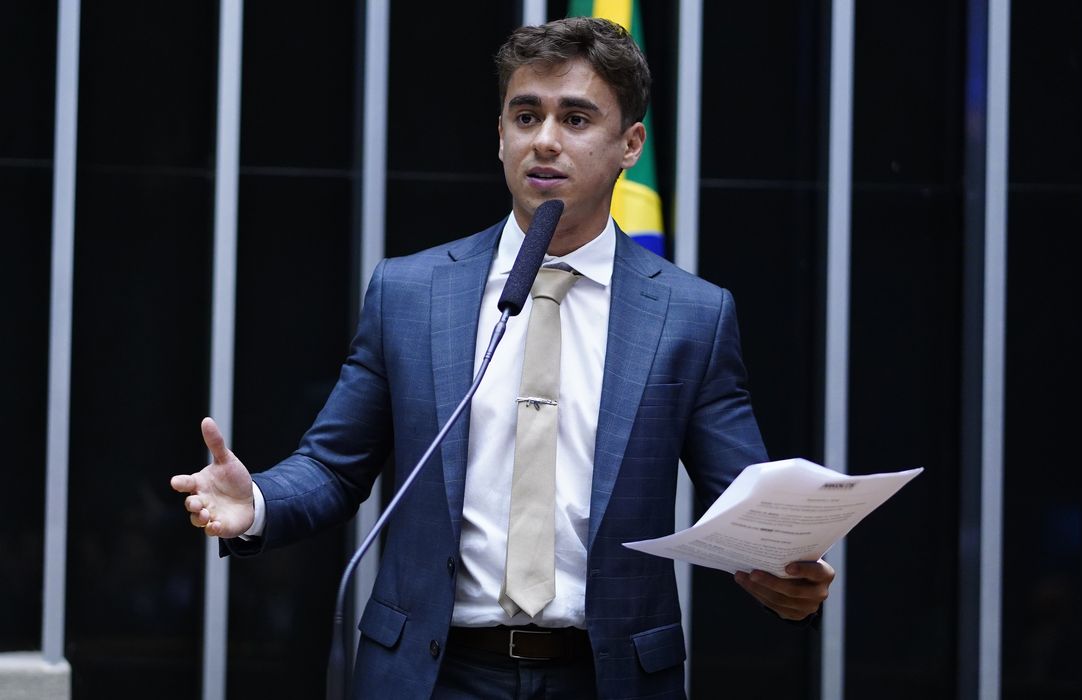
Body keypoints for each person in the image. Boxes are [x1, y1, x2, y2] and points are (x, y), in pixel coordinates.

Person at [171, 16, 834, 699]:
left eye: (576, 119)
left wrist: (788, 572)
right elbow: (334, 468)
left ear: (630, 143)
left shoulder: (692, 315)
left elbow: (745, 505)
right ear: (500, 135)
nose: (545, 140)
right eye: (526, 115)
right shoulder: (411, 293)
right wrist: (256, 501)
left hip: (606, 677)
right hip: (434, 673)